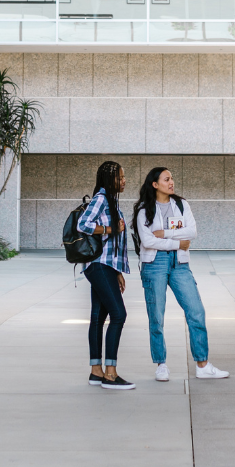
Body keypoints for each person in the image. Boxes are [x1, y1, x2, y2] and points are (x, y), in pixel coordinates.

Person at [133, 167, 230, 382]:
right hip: (154, 263)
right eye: (166, 179)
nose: (171, 182)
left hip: (180, 264)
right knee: (156, 316)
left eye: (172, 178)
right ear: (155, 184)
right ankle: (161, 364)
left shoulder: (181, 204)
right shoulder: (144, 209)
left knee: (196, 310)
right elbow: (147, 241)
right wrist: (177, 242)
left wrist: (166, 234)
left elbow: (192, 232)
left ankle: (202, 364)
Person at [77, 160, 135, 390]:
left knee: (99, 318)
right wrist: (111, 229)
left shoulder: (111, 201)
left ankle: (95, 371)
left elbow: (115, 245)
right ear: (109, 179)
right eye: (120, 177)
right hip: (99, 265)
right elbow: (83, 224)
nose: (124, 181)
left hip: (106, 266)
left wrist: (118, 271)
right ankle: (110, 374)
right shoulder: (101, 199)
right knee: (119, 315)